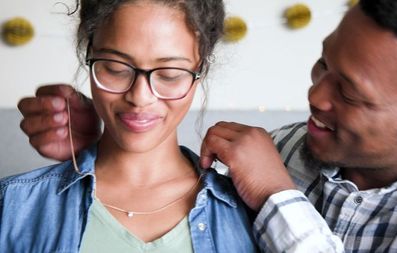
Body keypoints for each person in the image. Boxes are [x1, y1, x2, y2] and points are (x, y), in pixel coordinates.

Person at [16, 0, 397, 252]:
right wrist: (111, 137)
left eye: (350, 94)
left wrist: (279, 198)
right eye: (322, 64)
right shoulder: (271, 153)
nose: (314, 96)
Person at [1, 0, 258, 252]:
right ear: (89, 55)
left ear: (200, 69)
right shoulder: (13, 204)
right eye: (115, 68)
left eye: (169, 74)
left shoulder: (253, 212)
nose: (140, 97)